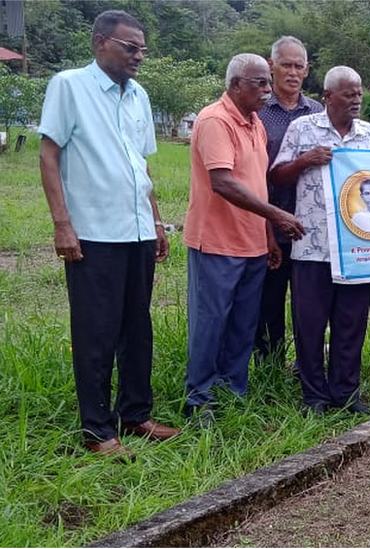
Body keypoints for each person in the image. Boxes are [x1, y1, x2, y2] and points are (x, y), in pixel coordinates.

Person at [38, 10, 180, 460]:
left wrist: (156, 221)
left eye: (142, 48)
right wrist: (63, 223)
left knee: (137, 327)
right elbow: (48, 154)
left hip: (136, 229)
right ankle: (97, 429)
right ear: (101, 42)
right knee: (96, 331)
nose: (140, 55)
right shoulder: (69, 85)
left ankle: (136, 414)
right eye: (130, 47)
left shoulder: (138, 95)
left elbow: (142, 166)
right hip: (93, 232)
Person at [183, 53, 306, 422]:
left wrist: (267, 235)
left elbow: (258, 184)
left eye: (269, 82)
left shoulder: (254, 123)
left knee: (243, 323)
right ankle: (199, 397)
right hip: (217, 243)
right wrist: (278, 216)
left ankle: (233, 390)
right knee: (211, 322)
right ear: (236, 84)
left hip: (252, 243)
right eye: (260, 83)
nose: (268, 90)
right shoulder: (215, 120)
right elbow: (222, 183)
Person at [270, 66, 370, 415]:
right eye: (349, 93)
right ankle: (314, 395)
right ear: (329, 97)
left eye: (359, 92)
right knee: (310, 323)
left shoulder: (369, 134)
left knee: (351, 323)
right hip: (312, 245)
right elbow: (277, 176)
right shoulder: (302, 129)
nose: (357, 99)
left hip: (356, 247)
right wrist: (305, 161)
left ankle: (346, 393)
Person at [254, 36, 324, 366]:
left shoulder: (318, 111)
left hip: (311, 227)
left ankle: (306, 367)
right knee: (268, 300)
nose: (293, 72)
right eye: (286, 65)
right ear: (271, 66)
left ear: (307, 70)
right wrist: (268, 225)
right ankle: (270, 369)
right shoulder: (259, 112)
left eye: (299, 66)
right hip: (267, 220)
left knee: (309, 302)